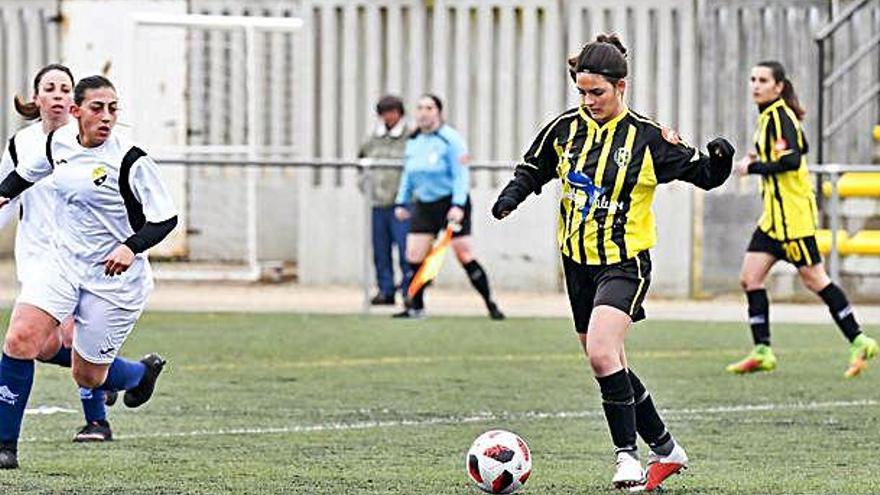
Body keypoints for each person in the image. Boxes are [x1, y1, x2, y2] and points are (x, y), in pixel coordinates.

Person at [491, 34, 734, 491]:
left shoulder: (647, 139)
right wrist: (512, 196)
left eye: (597, 92)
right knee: (607, 360)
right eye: (582, 92)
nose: (589, 101)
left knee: (603, 353)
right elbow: (535, 167)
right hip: (576, 262)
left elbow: (703, 175)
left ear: (621, 87)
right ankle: (666, 448)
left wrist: (720, 161)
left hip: (625, 261)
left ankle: (628, 457)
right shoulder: (564, 129)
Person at [0, 75, 177, 468]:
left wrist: (131, 248)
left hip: (114, 282)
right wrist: (3, 193)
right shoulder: (57, 142)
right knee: (20, 339)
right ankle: (4, 446)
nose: (107, 117)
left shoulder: (131, 159)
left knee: (88, 377)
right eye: (98, 108)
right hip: (62, 263)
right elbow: (27, 174)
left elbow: (165, 219)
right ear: (77, 113)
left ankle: (139, 374)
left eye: (113, 109)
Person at [728, 61, 879, 378]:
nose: (755, 85)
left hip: (792, 222)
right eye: (753, 79)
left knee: (816, 281)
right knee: (750, 278)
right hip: (773, 220)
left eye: (763, 80)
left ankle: (859, 339)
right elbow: (802, 145)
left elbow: (792, 159)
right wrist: (759, 156)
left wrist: (750, 167)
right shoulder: (771, 117)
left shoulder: (779, 117)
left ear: (779, 86)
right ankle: (763, 350)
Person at [0, 64, 121, 443]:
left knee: (70, 335)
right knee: (42, 345)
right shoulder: (22, 144)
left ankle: (97, 420)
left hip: (78, 257)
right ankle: (130, 375)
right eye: (49, 88)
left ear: (74, 102)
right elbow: (7, 195)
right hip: (36, 256)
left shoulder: (89, 145)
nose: (57, 94)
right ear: (36, 99)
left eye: (65, 88)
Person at [393, 94, 504, 320]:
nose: (424, 112)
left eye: (429, 108)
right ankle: (416, 306)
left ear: (438, 112)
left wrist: (457, 205)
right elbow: (408, 174)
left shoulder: (451, 139)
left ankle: (490, 303)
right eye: (420, 108)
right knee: (414, 254)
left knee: (464, 254)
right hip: (424, 204)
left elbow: (460, 175)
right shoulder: (413, 141)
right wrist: (401, 201)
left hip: (450, 204)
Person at [359, 95, 412, 305]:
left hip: (402, 204)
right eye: (385, 113)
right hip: (378, 203)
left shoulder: (411, 137)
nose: (389, 116)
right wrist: (366, 188)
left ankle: (409, 291)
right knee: (380, 250)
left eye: (393, 112)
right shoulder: (372, 138)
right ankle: (385, 290)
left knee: (406, 250)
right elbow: (361, 164)